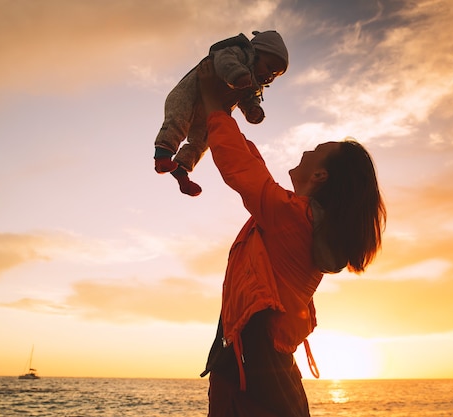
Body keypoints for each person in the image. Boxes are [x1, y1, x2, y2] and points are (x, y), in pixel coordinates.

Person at [196, 57, 387, 417]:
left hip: (251, 382)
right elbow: (256, 174)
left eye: (318, 150)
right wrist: (224, 112)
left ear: (321, 176)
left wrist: (213, 104)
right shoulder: (298, 221)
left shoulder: (292, 219)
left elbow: (242, 170)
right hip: (268, 379)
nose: (308, 150)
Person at [153, 30, 289, 196]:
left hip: (209, 111)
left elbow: (249, 99)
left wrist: (253, 110)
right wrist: (237, 75)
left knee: (204, 141)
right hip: (191, 95)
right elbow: (224, 60)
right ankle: (162, 156)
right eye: (269, 67)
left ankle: (181, 171)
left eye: (275, 74)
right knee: (178, 120)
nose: (269, 75)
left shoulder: (254, 86)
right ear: (256, 53)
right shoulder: (239, 53)